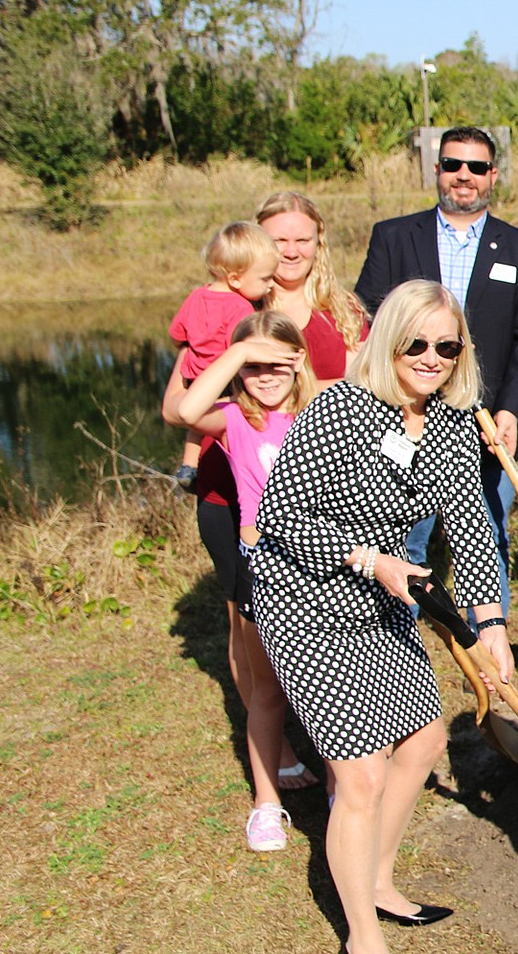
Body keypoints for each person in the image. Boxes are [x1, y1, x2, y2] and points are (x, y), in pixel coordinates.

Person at [248, 279, 511, 953]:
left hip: (383, 590)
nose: (430, 357)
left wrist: (494, 625)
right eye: (415, 342)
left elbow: (472, 528)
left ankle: (378, 881)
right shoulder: (340, 408)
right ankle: (362, 936)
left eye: (446, 345)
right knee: (361, 773)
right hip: (307, 594)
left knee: (423, 741)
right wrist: (370, 559)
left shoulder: (452, 422)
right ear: (388, 339)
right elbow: (278, 520)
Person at [355, 126, 518, 618]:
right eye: (452, 165)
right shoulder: (394, 237)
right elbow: (367, 320)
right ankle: (393, 641)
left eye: (477, 167)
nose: (464, 176)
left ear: (493, 176)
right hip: (400, 414)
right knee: (400, 535)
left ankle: (490, 652)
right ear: (437, 170)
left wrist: (512, 409)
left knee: (484, 535)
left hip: (483, 422)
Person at [174, 311, 321, 850]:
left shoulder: (322, 409)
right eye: (251, 366)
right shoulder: (234, 416)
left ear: (297, 360)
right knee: (267, 691)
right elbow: (185, 409)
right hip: (264, 572)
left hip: (324, 569)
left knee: (327, 685)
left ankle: (338, 783)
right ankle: (266, 803)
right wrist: (235, 355)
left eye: (274, 363)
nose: (264, 375)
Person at [169, 221, 278, 487]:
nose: (271, 284)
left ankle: (188, 466)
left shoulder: (196, 296)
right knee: (234, 419)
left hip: (195, 376)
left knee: (197, 423)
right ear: (236, 279)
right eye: (265, 279)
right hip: (225, 379)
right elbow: (242, 347)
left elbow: (176, 333)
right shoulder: (240, 307)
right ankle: (240, 466)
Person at [258, 191, 368, 382]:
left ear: (319, 245)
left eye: (302, 241)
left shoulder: (346, 311)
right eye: (279, 241)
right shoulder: (235, 307)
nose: (291, 252)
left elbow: (361, 386)